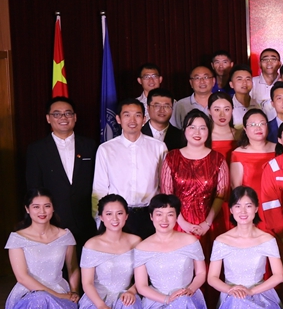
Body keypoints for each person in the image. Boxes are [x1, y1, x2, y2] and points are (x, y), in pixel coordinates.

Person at [207, 187, 283, 309]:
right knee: (237, 306)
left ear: (256, 208)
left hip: (260, 292)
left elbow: (278, 275)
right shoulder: (222, 240)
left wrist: (251, 291)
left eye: (248, 206)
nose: (243, 211)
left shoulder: (267, 239)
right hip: (231, 294)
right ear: (231, 210)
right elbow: (212, 278)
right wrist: (231, 290)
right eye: (237, 206)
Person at [134, 194, 208, 309]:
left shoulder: (190, 241)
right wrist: (166, 299)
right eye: (159, 214)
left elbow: (201, 273)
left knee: (182, 303)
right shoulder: (142, 247)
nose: (164, 220)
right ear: (151, 216)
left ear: (177, 216)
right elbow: (141, 285)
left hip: (188, 297)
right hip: (157, 301)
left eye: (170, 214)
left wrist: (190, 289)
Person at [6, 189, 80, 309]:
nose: (42, 211)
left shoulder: (65, 235)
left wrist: (74, 291)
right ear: (27, 209)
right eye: (36, 207)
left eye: (47, 206)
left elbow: (72, 267)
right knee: (40, 300)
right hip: (28, 293)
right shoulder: (17, 238)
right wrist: (58, 296)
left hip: (60, 288)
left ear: (53, 208)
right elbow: (22, 277)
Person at [27, 96, 98, 250]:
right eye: (57, 114)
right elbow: (34, 189)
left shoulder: (90, 145)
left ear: (75, 117)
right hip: (53, 223)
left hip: (87, 222)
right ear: (48, 118)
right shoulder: (36, 150)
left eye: (68, 113)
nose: (63, 117)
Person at [78, 195, 141, 309]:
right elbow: (87, 283)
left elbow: (141, 277)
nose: (115, 219)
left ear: (126, 216)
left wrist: (132, 291)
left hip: (126, 293)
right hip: (97, 296)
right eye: (109, 214)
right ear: (101, 217)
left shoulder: (136, 242)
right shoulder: (91, 244)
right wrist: (100, 305)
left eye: (119, 213)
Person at [93, 99, 168, 238]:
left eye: (137, 115)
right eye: (127, 115)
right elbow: (100, 187)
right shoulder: (106, 149)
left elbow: (164, 185)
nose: (132, 120)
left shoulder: (158, 147)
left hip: (150, 214)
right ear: (118, 119)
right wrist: (100, 221)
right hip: (118, 216)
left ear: (144, 119)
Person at [160, 109, 230, 246]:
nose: (197, 132)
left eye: (202, 128)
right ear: (184, 130)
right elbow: (167, 194)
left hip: (210, 224)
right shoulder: (172, 157)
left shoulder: (218, 159)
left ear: (208, 131)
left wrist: (207, 223)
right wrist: (182, 223)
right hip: (177, 223)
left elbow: (221, 195)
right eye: (192, 127)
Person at [230, 109, 277, 196]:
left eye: (262, 123)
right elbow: (236, 187)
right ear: (245, 129)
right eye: (252, 125)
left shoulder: (279, 149)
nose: (258, 128)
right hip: (250, 202)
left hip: (276, 200)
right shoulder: (238, 153)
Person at [207, 92, 239, 160]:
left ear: (232, 110)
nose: (222, 114)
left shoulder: (240, 135)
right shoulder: (204, 136)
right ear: (209, 111)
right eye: (217, 110)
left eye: (226, 109)